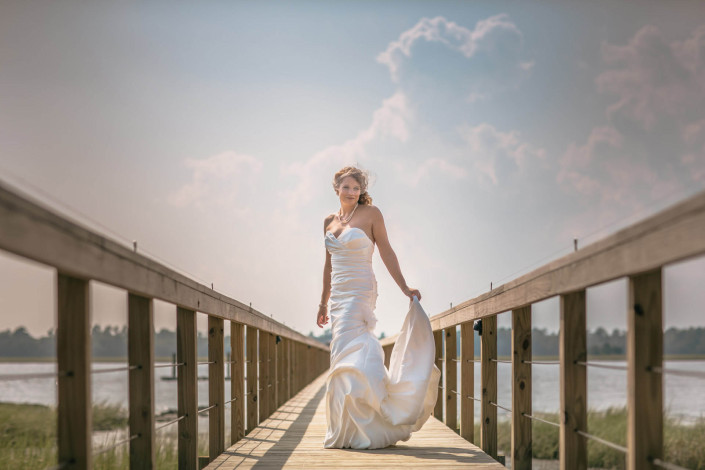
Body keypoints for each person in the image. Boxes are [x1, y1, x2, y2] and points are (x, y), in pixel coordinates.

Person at [317, 165, 441, 449]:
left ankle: (372, 420)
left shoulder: (372, 215)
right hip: (338, 297)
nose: (350, 192)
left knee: (357, 350)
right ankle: (349, 426)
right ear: (336, 188)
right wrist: (323, 301)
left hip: (361, 291)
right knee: (341, 352)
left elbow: (385, 250)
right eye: (346, 187)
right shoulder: (328, 220)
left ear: (362, 192)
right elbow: (327, 265)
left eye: (356, 188)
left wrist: (404, 287)